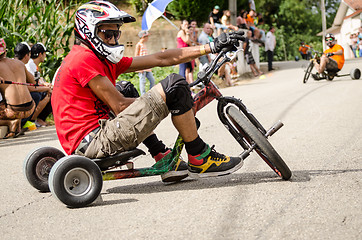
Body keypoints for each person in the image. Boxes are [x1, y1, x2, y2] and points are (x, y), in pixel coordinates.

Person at [52, 1, 244, 182]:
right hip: (94, 143)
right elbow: (118, 105)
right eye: (107, 34)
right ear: (88, 31)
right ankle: (199, 156)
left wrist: (210, 47)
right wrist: (165, 99)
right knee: (175, 84)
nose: (113, 39)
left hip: (91, 138)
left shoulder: (96, 58)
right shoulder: (84, 59)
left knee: (126, 87)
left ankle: (161, 154)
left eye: (116, 34)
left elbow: (161, 59)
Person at [0, 38, 42, 138]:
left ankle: (10, 123)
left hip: (12, 111)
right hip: (30, 108)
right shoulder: (19, 63)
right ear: (5, 51)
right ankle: (16, 126)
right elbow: (33, 82)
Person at [26, 43, 52, 127]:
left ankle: (39, 119)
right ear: (40, 54)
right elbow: (33, 82)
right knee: (48, 93)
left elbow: (39, 80)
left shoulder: (33, 65)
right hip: (30, 91)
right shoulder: (30, 65)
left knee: (50, 90)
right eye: (44, 54)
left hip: (34, 88)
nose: (45, 56)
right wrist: (46, 87)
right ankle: (34, 119)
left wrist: (47, 84)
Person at [134, 30, 155, 95]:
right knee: (142, 81)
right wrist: (139, 67)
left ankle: (151, 93)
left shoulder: (144, 45)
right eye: (147, 37)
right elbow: (136, 56)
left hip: (146, 66)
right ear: (143, 37)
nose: (148, 38)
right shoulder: (138, 45)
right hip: (142, 66)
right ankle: (143, 95)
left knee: (152, 80)